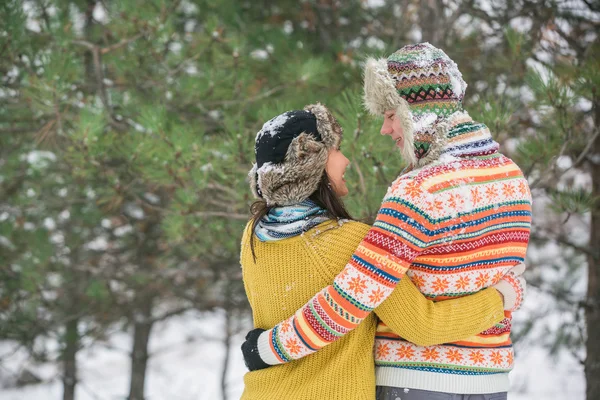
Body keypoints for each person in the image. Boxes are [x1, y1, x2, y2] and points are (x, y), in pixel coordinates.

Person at [242, 43, 532, 400]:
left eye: (391, 114)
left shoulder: (416, 190)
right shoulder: (513, 179)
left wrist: (267, 348)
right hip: (492, 377)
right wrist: (505, 297)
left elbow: (349, 301)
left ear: (418, 110)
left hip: (416, 378)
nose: (385, 129)